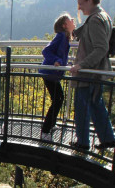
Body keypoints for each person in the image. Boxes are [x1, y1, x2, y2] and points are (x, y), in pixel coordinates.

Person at [69, 0, 115, 150]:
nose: (79, 8)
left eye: (81, 4)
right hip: (96, 71)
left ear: (90, 0)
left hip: (89, 73)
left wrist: (81, 65)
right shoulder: (102, 16)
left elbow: (101, 48)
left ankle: (82, 143)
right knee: (96, 104)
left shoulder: (95, 20)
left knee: (82, 107)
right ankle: (108, 139)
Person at [39, 13, 75, 142]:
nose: (73, 20)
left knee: (59, 98)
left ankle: (51, 124)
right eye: (70, 19)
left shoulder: (64, 37)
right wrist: (57, 60)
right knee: (58, 99)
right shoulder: (61, 36)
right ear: (64, 25)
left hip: (52, 74)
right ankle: (45, 131)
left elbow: (60, 54)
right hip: (49, 73)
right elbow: (46, 51)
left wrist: (64, 63)